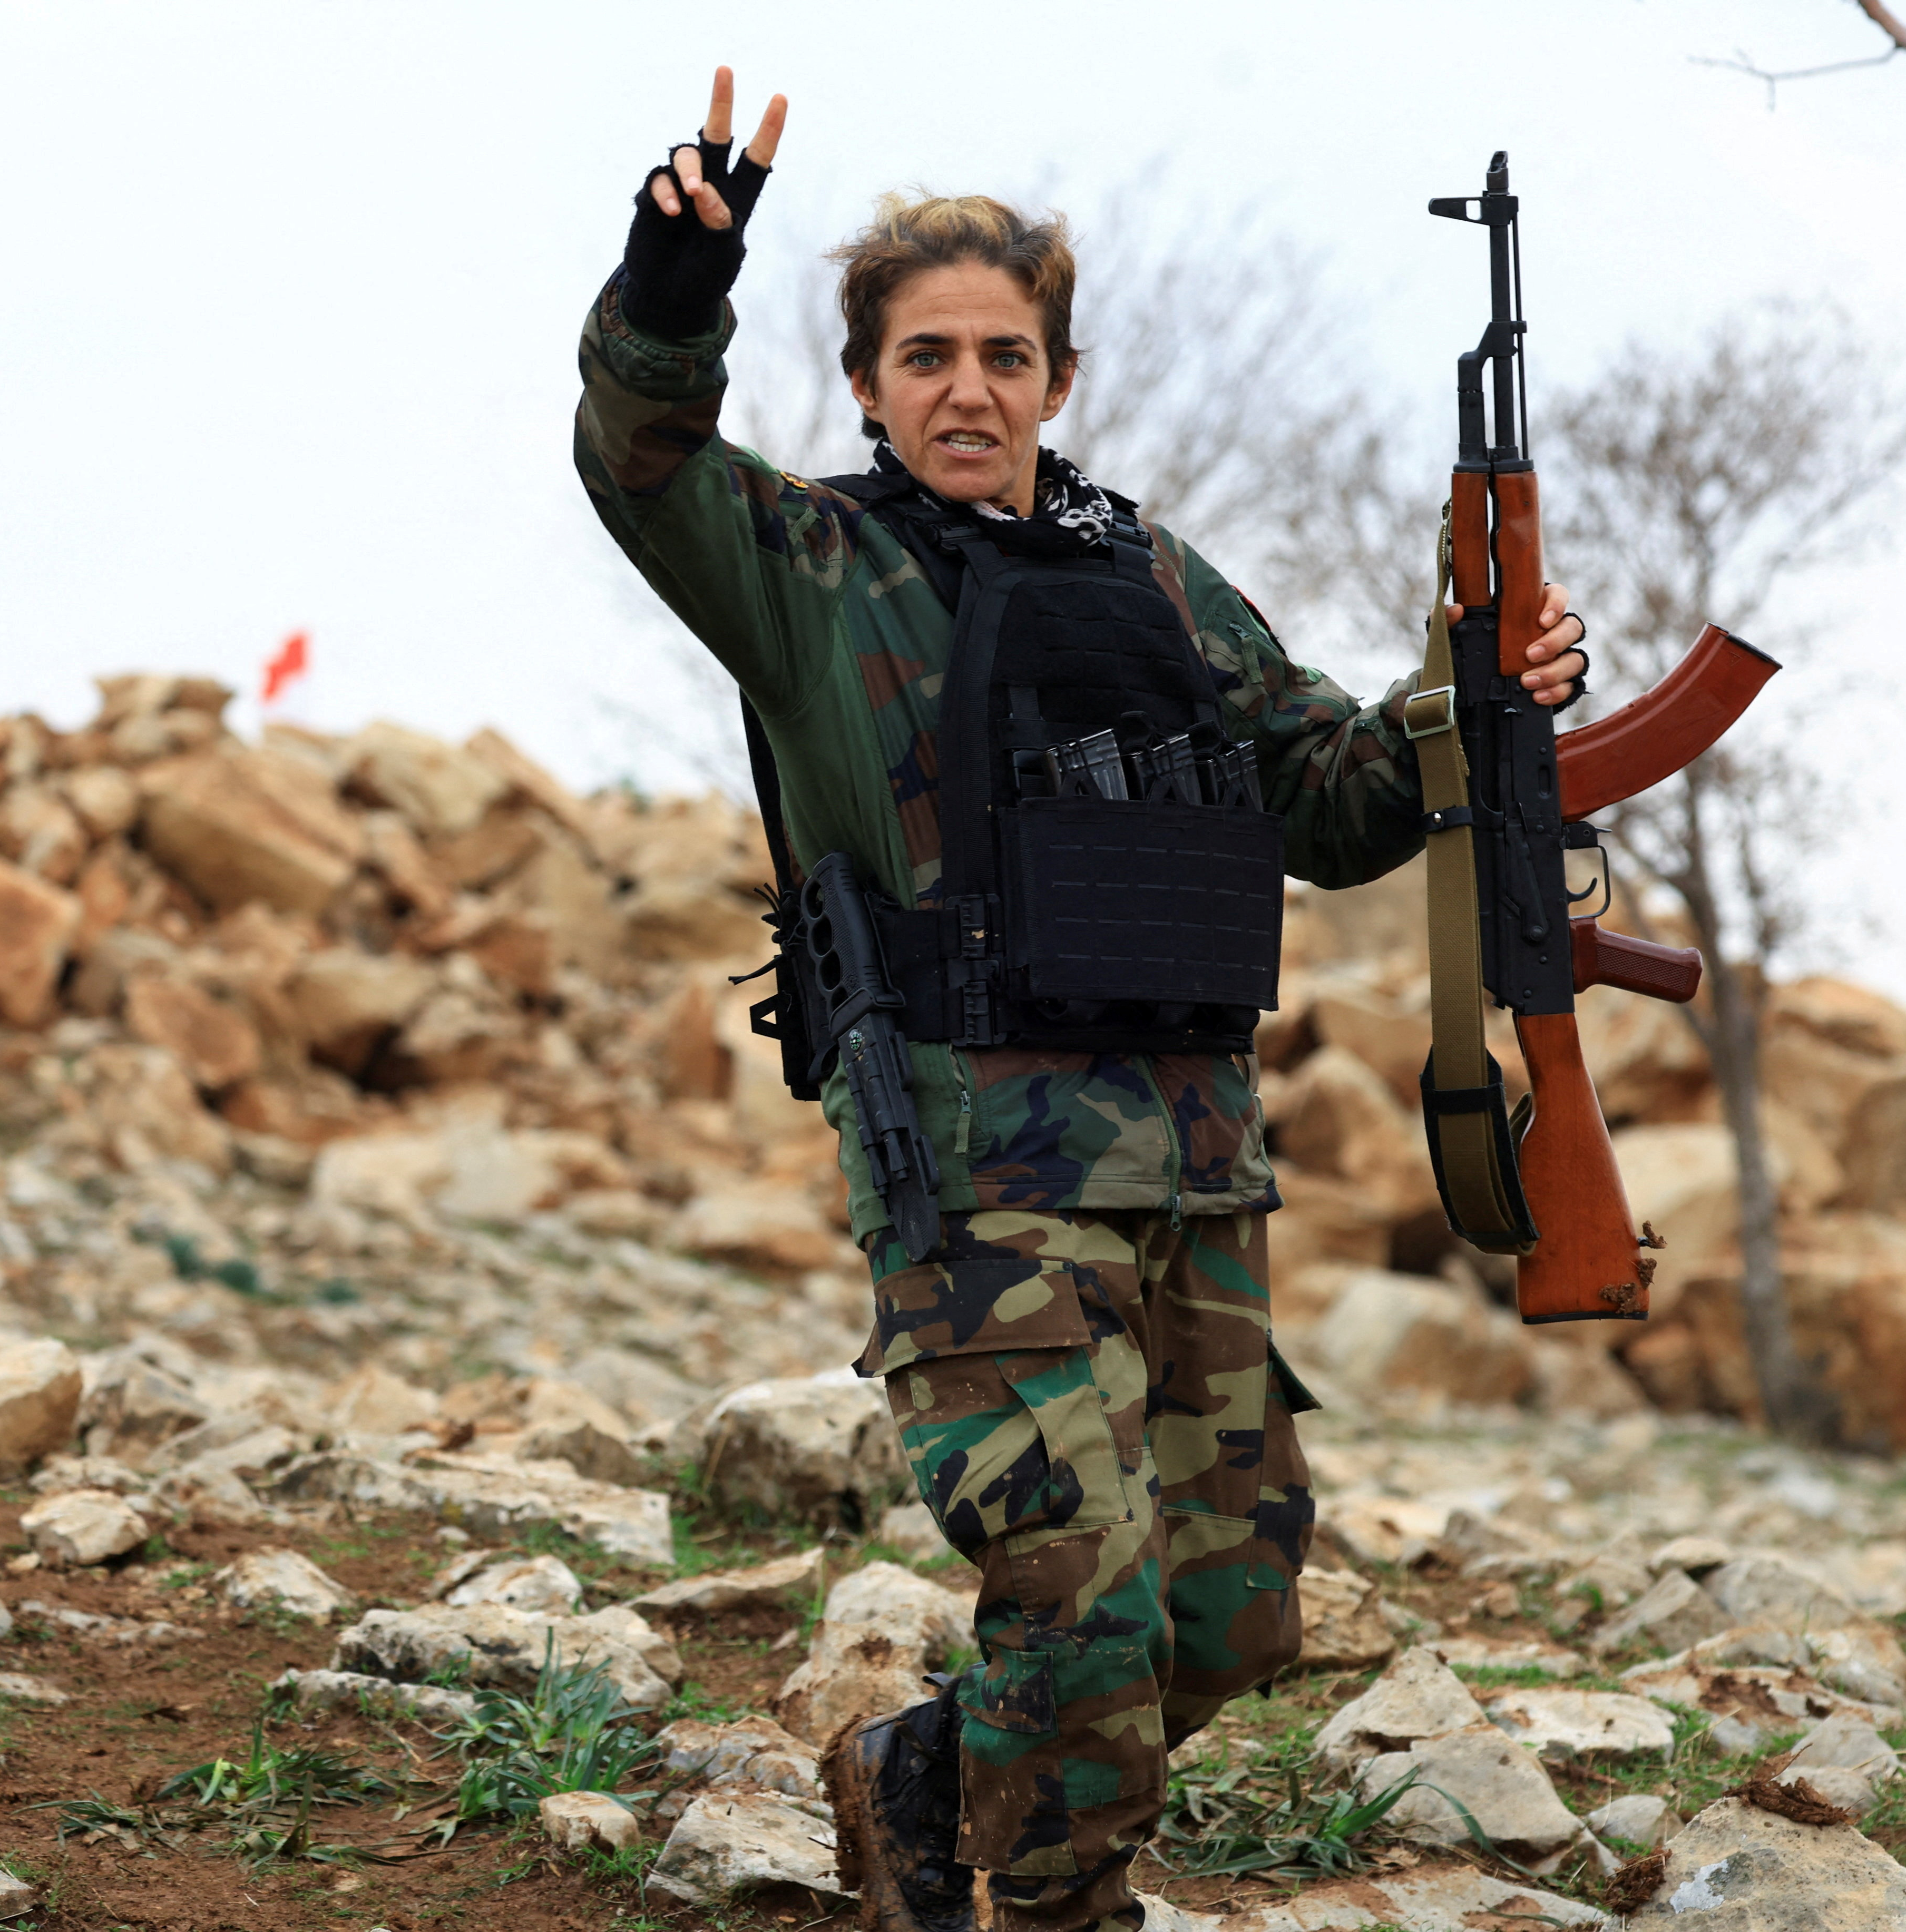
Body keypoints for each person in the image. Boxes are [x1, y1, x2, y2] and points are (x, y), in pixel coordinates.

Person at [574, 70, 1587, 1932]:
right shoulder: (813, 566)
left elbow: (1339, 798)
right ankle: (1044, 1907)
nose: (970, 387)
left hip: (1196, 1167)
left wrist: (1478, 690)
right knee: (1078, 1589)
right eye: (927, 354)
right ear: (871, 381)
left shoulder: (1157, 581)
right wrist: (669, 287)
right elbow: (636, 451)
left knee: (1226, 1615)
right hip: (975, 1175)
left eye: (1007, 352)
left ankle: (927, 1771)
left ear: (1059, 375)